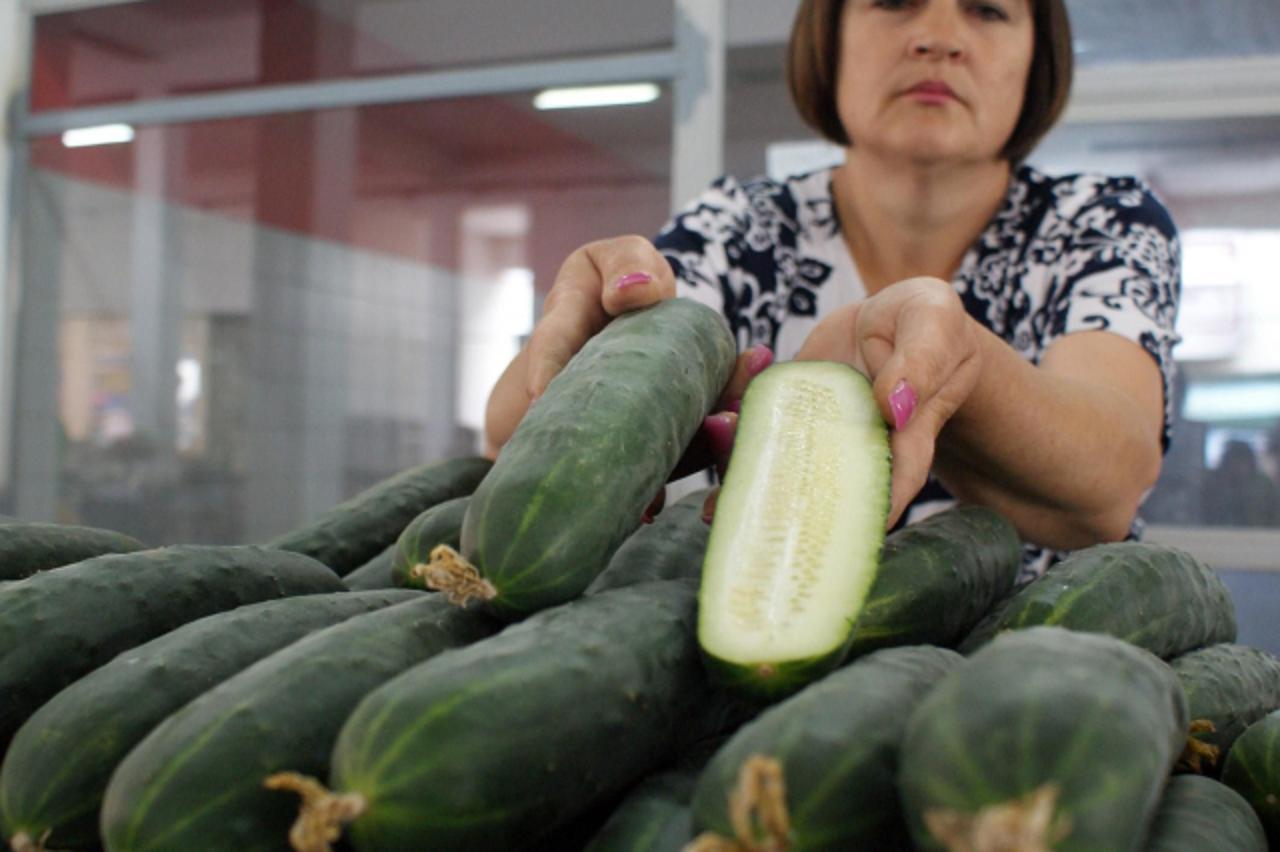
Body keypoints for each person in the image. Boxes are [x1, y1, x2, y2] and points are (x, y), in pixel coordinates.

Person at [485, 0, 1180, 582]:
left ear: (1038, 59)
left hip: (1040, 687)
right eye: (895, 0)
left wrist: (955, 361)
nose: (937, 37)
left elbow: (1112, 478)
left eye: (989, 9)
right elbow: (516, 441)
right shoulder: (741, 227)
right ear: (830, 37)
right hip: (773, 673)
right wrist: (588, 349)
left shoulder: (1103, 222)